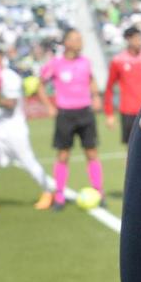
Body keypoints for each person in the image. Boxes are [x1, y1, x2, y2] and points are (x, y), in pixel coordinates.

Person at [41, 30, 103, 209]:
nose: (79, 42)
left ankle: (98, 192)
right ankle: (59, 196)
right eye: (76, 39)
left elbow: (91, 80)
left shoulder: (85, 62)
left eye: (80, 38)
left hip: (85, 113)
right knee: (63, 155)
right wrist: (49, 106)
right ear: (66, 42)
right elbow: (40, 85)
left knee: (91, 153)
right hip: (65, 115)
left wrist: (96, 96)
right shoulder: (55, 64)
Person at [0, 46, 52, 207]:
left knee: (28, 161)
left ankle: (48, 191)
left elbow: (10, 103)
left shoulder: (10, 77)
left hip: (14, 129)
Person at [105, 27, 141, 145]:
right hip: (128, 111)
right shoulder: (118, 61)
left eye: (140, 38)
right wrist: (109, 113)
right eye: (135, 39)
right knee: (131, 149)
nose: (138, 41)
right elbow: (109, 88)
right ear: (128, 40)